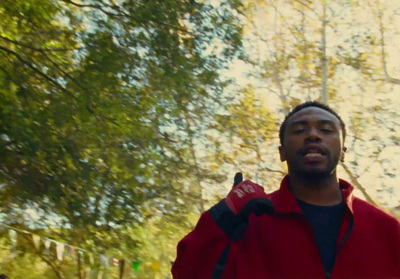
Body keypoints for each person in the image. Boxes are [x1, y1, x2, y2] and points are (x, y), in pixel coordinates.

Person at [171, 101, 400, 279]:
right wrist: (223, 215)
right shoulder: (247, 222)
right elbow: (187, 274)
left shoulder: (387, 230)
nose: (312, 135)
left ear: (343, 152)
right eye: (299, 130)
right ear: (282, 153)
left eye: (327, 129)